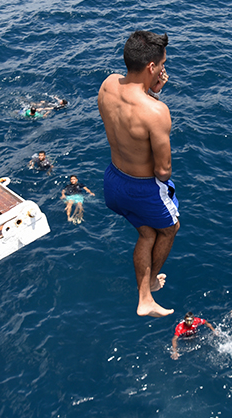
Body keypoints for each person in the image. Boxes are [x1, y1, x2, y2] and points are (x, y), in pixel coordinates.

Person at [98, 30, 175, 318]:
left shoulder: (108, 84)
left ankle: (147, 292)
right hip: (141, 188)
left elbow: (126, 118)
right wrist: (154, 99)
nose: (164, 68)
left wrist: (151, 91)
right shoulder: (157, 112)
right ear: (151, 67)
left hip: (113, 180)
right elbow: (163, 171)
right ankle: (147, 291)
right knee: (170, 228)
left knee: (146, 232)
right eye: (162, 64)